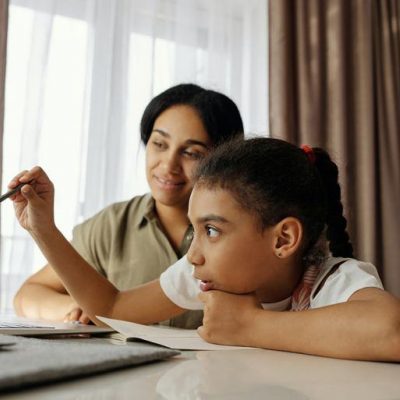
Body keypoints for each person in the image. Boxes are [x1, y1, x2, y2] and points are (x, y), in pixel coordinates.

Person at [9, 137, 400, 361]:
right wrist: (44, 229)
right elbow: (112, 309)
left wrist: (251, 326)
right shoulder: (202, 275)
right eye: (195, 230)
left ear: (283, 240)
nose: (193, 254)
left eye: (211, 230)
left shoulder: (334, 279)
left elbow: (390, 330)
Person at [13, 83, 244, 328]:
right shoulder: (112, 225)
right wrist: (76, 308)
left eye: (191, 152)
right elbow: (29, 295)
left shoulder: (239, 234)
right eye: (159, 144)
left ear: (223, 160)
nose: (168, 166)